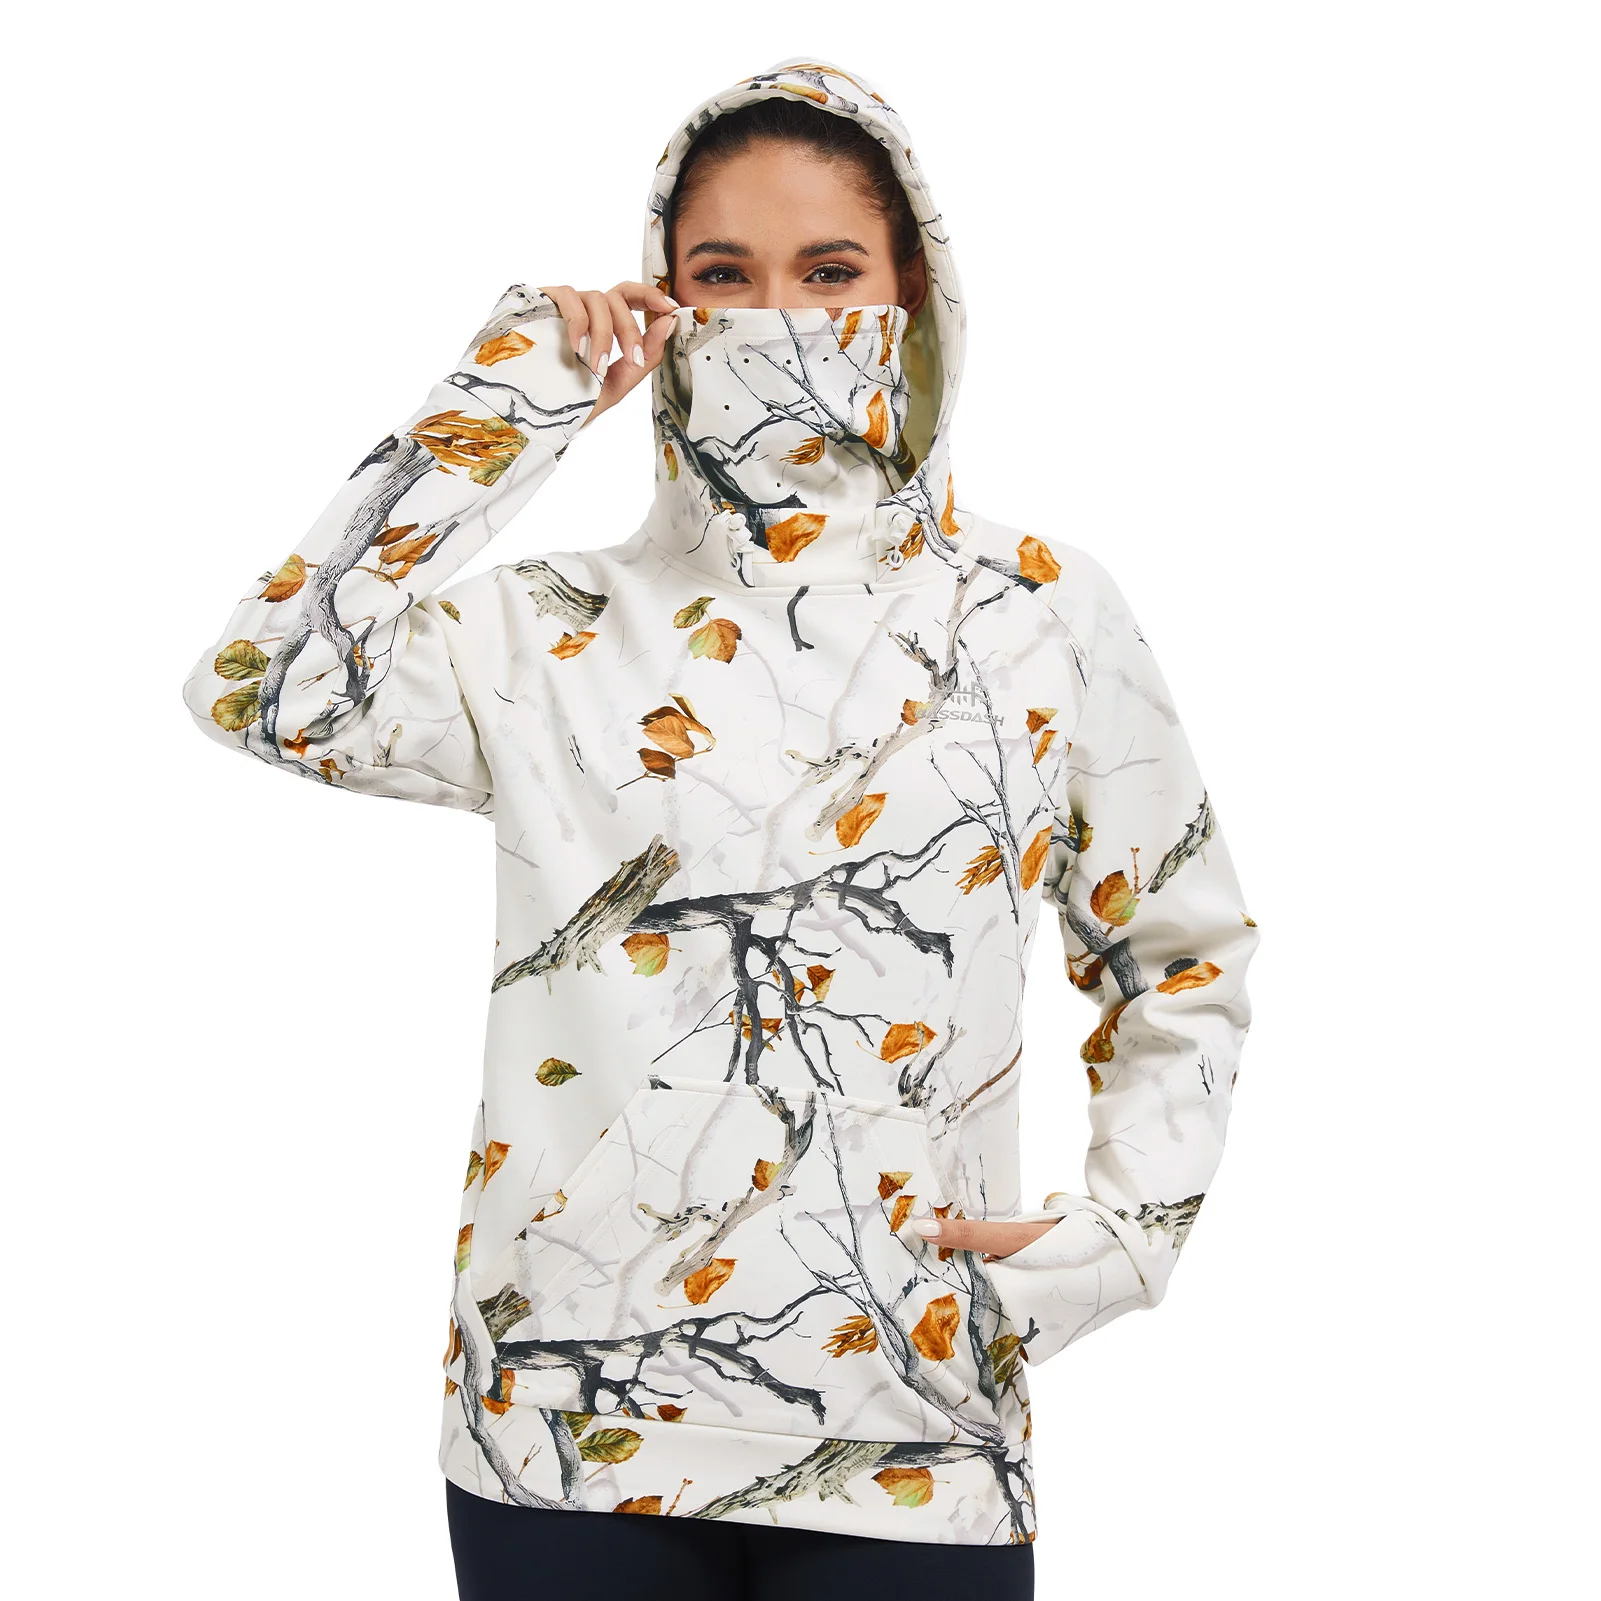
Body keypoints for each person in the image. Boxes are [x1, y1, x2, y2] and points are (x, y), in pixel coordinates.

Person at [181, 53, 1260, 1600]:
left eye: (829, 272)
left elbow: (1180, 950)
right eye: (723, 277)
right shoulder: (545, 630)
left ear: (913, 289)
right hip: (564, 1428)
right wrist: (508, 404)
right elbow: (261, 688)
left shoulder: (1037, 612)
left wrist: (1125, 1239)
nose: (779, 318)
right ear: (665, 300)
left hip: (916, 1415)